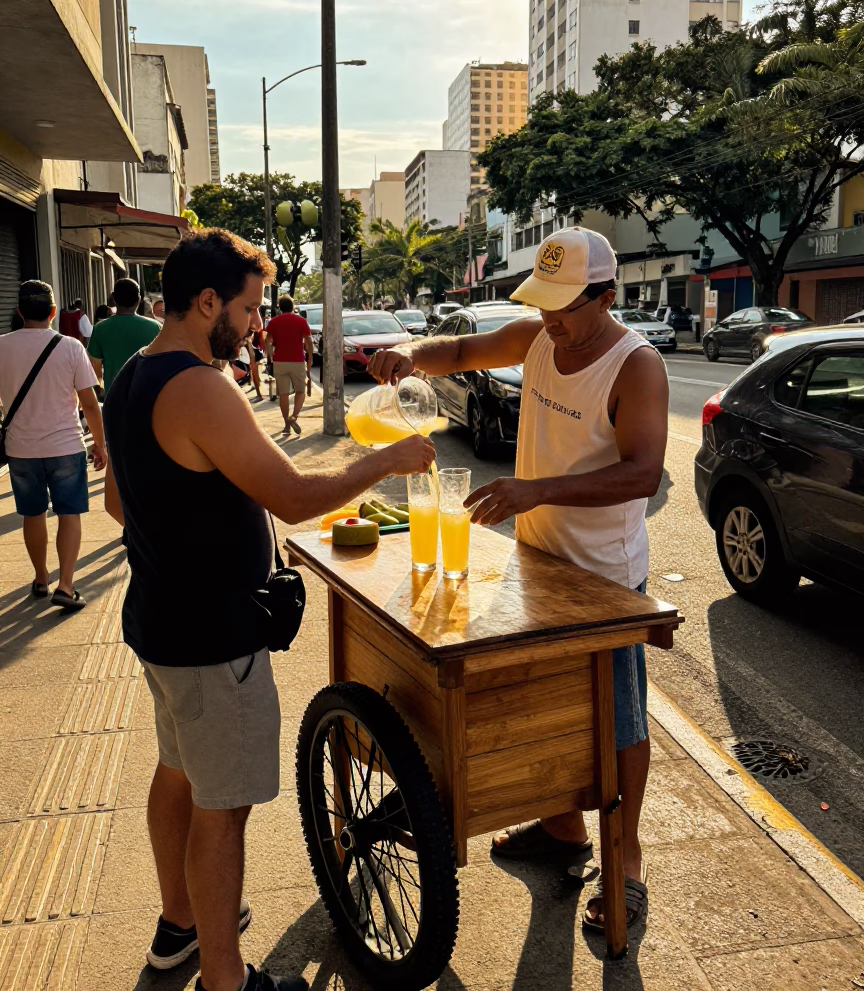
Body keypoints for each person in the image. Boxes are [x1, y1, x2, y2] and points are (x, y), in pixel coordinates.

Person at [101, 228, 435, 991]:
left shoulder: (130, 376)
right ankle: (226, 978)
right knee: (224, 809)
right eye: (250, 309)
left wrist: (190, 533)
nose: (257, 324)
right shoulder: (198, 385)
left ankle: (180, 926)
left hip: (160, 622)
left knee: (179, 775)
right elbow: (291, 494)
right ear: (207, 300)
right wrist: (387, 457)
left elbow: (121, 502)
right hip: (215, 641)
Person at [369, 227, 669, 938]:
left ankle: (626, 863)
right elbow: (466, 350)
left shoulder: (637, 366)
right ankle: (563, 830)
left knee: (619, 721)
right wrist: (412, 352)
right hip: (540, 560)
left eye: (566, 305)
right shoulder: (540, 338)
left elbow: (642, 474)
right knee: (544, 702)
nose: (552, 319)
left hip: (607, 582)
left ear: (607, 294)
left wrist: (535, 490)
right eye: (546, 303)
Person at [0, 281, 107, 607]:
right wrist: (100, 444)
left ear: (19, 312)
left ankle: (41, 578)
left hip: (20, 449)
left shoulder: (1, 346)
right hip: (65, 446)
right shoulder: (71, 347)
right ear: (52, 311)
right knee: (69, 513)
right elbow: (89, 403)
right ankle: (65, 585)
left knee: (32, 515)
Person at [87, 278, 161, 393]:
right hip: (147, 398)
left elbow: (95, 371)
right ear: (139, 299)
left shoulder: (100, 329)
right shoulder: (155, 327)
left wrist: (101, 391)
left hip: (114, 398)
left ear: (114, 298)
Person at [264, 295, 313, 435]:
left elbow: (268, 341)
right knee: (300, 391)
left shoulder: (273, 321)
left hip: (280, 361)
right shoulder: (301, 321)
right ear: (293, 306)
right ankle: (294, 417)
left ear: (280, 307)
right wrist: (310, 357)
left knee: (283, 394)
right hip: (297, 360)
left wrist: (270, 357)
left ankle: (286, 424)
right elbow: (308, 341)